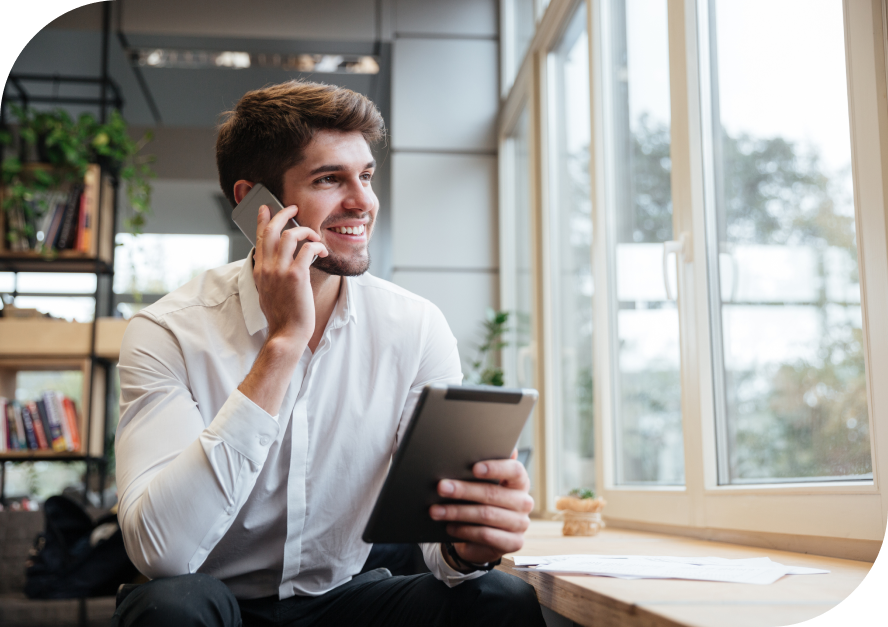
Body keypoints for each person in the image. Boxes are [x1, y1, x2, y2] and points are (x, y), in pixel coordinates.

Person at [111, 80, 545, 627]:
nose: (363, 200)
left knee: (501, 601)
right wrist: (284, 343)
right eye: (329, 179)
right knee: (169, 610)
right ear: (254, 204)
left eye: (364, 174)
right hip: (216, 603)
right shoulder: (167, 332)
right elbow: (162, 554)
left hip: (343, 599)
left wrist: (470, 542)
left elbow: (439, 548)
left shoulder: (414, 327)